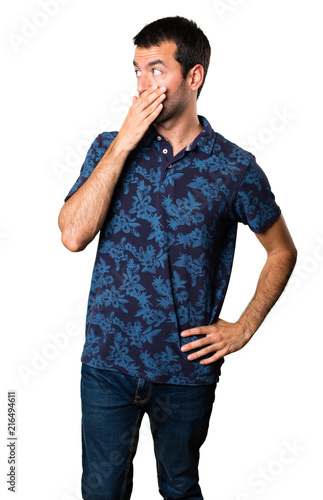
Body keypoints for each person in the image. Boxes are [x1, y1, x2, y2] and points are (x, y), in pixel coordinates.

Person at [58, 16, 297, 500]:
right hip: (108, 363)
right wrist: (125, 141)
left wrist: (245, 326)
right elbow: (72, 235)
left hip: (187, 371)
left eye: (155, 70)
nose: (142, 84)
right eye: (136, 71)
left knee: (181, 487)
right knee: (100, 491)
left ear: (194, 76)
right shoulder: (108, 147)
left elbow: (281, 250)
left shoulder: (235, 168)